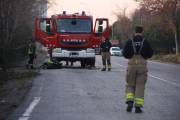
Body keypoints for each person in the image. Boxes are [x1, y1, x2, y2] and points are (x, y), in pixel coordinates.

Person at [123, 25, 153, 113]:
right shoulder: (146, 42)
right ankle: (138, 108)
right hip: (142, 65)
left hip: (131, 65)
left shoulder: (129, 41)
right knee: (140, 86)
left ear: (134, 32)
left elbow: (124, 54)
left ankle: (130, 102)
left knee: (130, 84)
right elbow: (150, 54)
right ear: (142, 32)